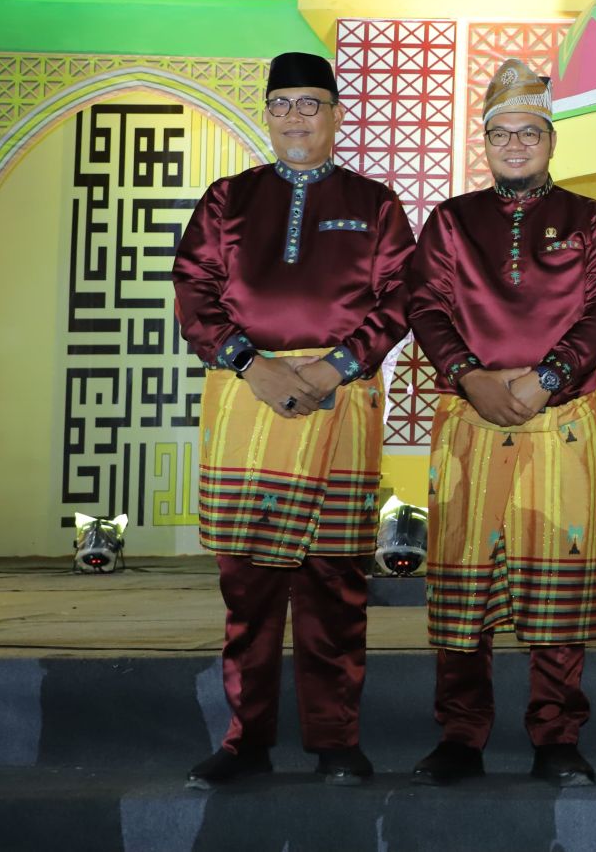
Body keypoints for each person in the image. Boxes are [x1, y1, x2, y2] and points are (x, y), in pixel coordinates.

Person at [174, 50, 415, 788]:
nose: (295, 117)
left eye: (310, 103)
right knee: (247, 586)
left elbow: (401, 297)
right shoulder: (228, 198)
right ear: (268, 115)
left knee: (334, 583)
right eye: (281, 104)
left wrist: (335, 366)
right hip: (247, 401)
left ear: (336, 114)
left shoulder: (375, 203)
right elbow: (193, 290)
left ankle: (336, 741)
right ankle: (245, 741)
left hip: (339, 402)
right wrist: (253, 364)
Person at [408, 58, 596, 787]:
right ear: (485, 141)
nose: (514, 144)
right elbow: (426, 305)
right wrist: (470, 376)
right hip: (469, 418)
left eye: (528, 132)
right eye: (500, 133)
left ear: (551, 140)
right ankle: (460, 735)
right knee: (462, 581)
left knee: (558, 576)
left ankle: (557, 735)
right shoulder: (450, 220)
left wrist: (546, 378)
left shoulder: (590, 220)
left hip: (558, 420)